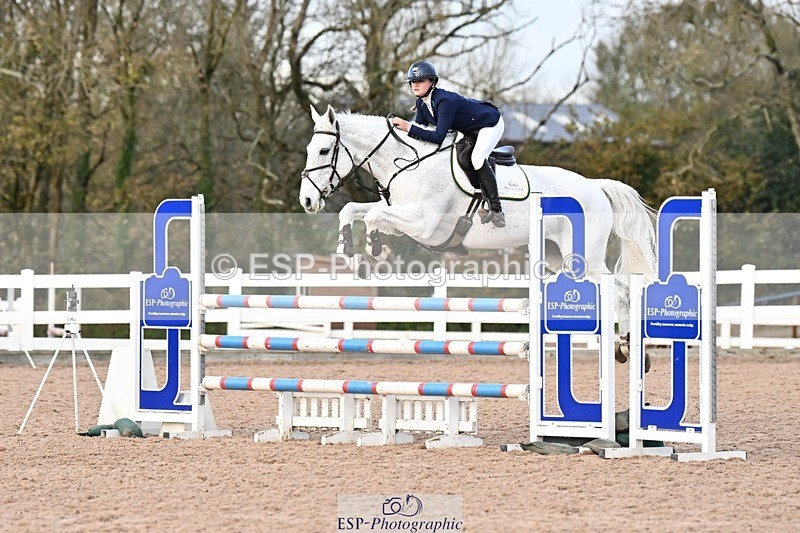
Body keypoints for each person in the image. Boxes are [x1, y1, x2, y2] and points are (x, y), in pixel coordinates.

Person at [391, 60, 506, 228]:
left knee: (477, 159)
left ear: (432, 82)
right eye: (412, 82)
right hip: (469, 129)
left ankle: (497, 210)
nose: (415, 85)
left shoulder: (444, 101)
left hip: (489, 123)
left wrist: (408, 127)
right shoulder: (420, 103)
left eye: (420, 81)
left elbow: (437, 137)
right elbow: (421, 132)